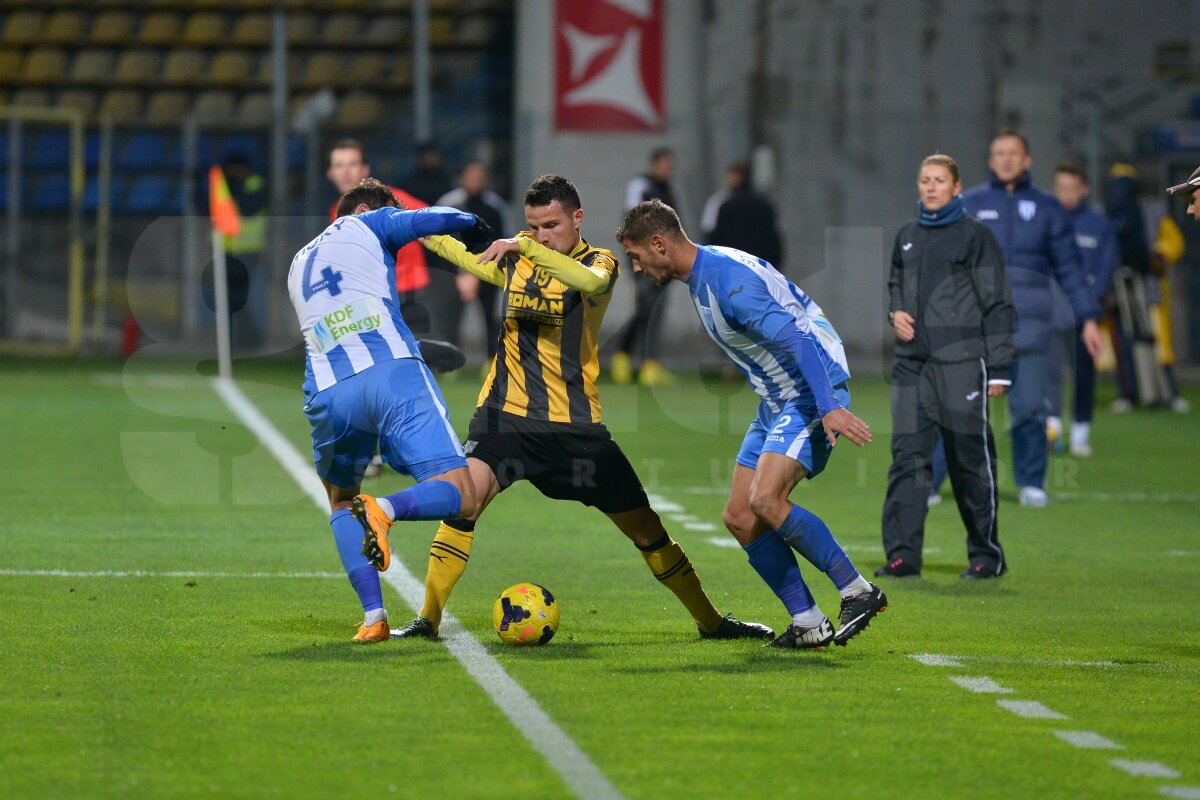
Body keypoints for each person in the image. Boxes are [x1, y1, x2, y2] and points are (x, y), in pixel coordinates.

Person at [383, 174, 772, 643]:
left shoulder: (599, 263)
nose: (541, 233)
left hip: (575, 431)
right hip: (504, 419)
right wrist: (401, 220)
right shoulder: (516, 256)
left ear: (577, 218)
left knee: (648, 530)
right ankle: (428, 619)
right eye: (533, 225)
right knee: (463, 502)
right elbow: (457, 251)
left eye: (551, 224)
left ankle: (711, 621)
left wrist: (525, 249)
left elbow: (586, 281)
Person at [618, 199, 888, 650]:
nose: (638, 267)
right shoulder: (707, 272)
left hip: (809, 394)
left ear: (659, 244)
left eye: (636, 256)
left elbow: (798, 339)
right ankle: (808, 621)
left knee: (765, 498)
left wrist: (828, 407)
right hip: (779, 400)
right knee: (741, 517)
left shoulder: (729, 284)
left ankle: (857, 590)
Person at [287, 178, 495, 643]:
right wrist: (472, 224)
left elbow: (338, 327)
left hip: (327, 390)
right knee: (462, 494)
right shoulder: (370, 221)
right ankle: (383, 510)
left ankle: (373, 617)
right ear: (362, 208)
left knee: (342, 501)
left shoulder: (299, 262)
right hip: (392, 373)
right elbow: (430, 219)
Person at [877, 154, 1015, 580]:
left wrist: (1000, 366)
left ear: (957, 188)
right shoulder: (907, 236)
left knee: (968, 459)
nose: (931, 186)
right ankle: (903, 556)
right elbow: (896, 286)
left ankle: (986, 556)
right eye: (924, 180)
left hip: (960, 365)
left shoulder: (976, 237)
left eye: (939, 180)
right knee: (907, 457)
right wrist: (895, 312)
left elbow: (997, 302)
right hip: (911, 366)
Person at [961, 130, 1104, 507]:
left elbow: (1071, 269)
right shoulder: (970, 203)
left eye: (1014, 153)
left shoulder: (1047, 207)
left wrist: (1088, 318)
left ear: (1027, 161)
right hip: (978, 326)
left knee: (1029, 408)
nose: (1006, 159)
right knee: (963, 407)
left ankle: (1031, 483)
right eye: (999, 153)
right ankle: (937, 485)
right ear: (991, 161)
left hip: (1031, 326)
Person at [1048, 163, 1119, 457]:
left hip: (1085, 315)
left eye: (1072, 188)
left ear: (1084, 190)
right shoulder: (1046, 220)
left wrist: (1088, 304)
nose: (1066, 194)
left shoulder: (1099, 225)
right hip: (1050, 313)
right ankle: (1050, 431)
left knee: (1083, 374)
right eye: (1060, 188)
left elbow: (1106, 268)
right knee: (1046, 374)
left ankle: (1080, 433)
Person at [326, 139, 431, 331]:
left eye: (352, 164)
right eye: (339, 165)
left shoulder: (389, 198)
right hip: (370, 299)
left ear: (365, 169)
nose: (346, 171)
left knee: (415, 357)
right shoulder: (335, 213)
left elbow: (433, 221)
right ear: (330, 174)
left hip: (407, 294)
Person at [429, 160, 511, 359]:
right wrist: (459, 274)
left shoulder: (496, 206)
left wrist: (480, 272)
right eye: (471, 174)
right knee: (448, 317)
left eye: (480, 175)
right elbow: (435, 240)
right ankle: (447, 360)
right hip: (452, 273)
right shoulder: (448, 203)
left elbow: (505, 240)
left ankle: (492, 360)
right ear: (462, 177)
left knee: (491, 317)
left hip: (487, 271)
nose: (475, 179)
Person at [611, 147, 679, 387]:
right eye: (664, 164)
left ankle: (630, 358)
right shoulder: (641, 185)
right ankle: (642, 363)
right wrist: (636, 257)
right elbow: (630, 222)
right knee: (647, 308)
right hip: (644, 256)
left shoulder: (666, 190)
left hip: (662, 257)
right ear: (654, 164)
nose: (667, 170)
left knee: (651, 309)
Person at [701, 161, 784, 269]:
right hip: (761, 265)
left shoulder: (721, 203)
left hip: (731, 265)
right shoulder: (765, 204)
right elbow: (775, 237)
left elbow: (711, 233)